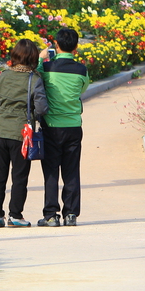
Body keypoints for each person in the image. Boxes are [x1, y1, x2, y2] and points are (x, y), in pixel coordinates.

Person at [0, 39, 49, 228]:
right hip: (21, 135)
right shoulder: (35, 79)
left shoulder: (3, 76)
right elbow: (41, 108)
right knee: (19, 177)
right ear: (32, 58)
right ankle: (15, 215)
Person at [37, 27, 90, 227]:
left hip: (51, 125)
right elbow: (82, 89)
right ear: (76, 47)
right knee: (71, 170)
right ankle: (71, 214)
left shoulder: (47, 67)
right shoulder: (82, 70)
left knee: (51, 171)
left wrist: (42, 58)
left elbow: (35, 75)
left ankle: (51, 214)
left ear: (56, 45)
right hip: (74, 125)